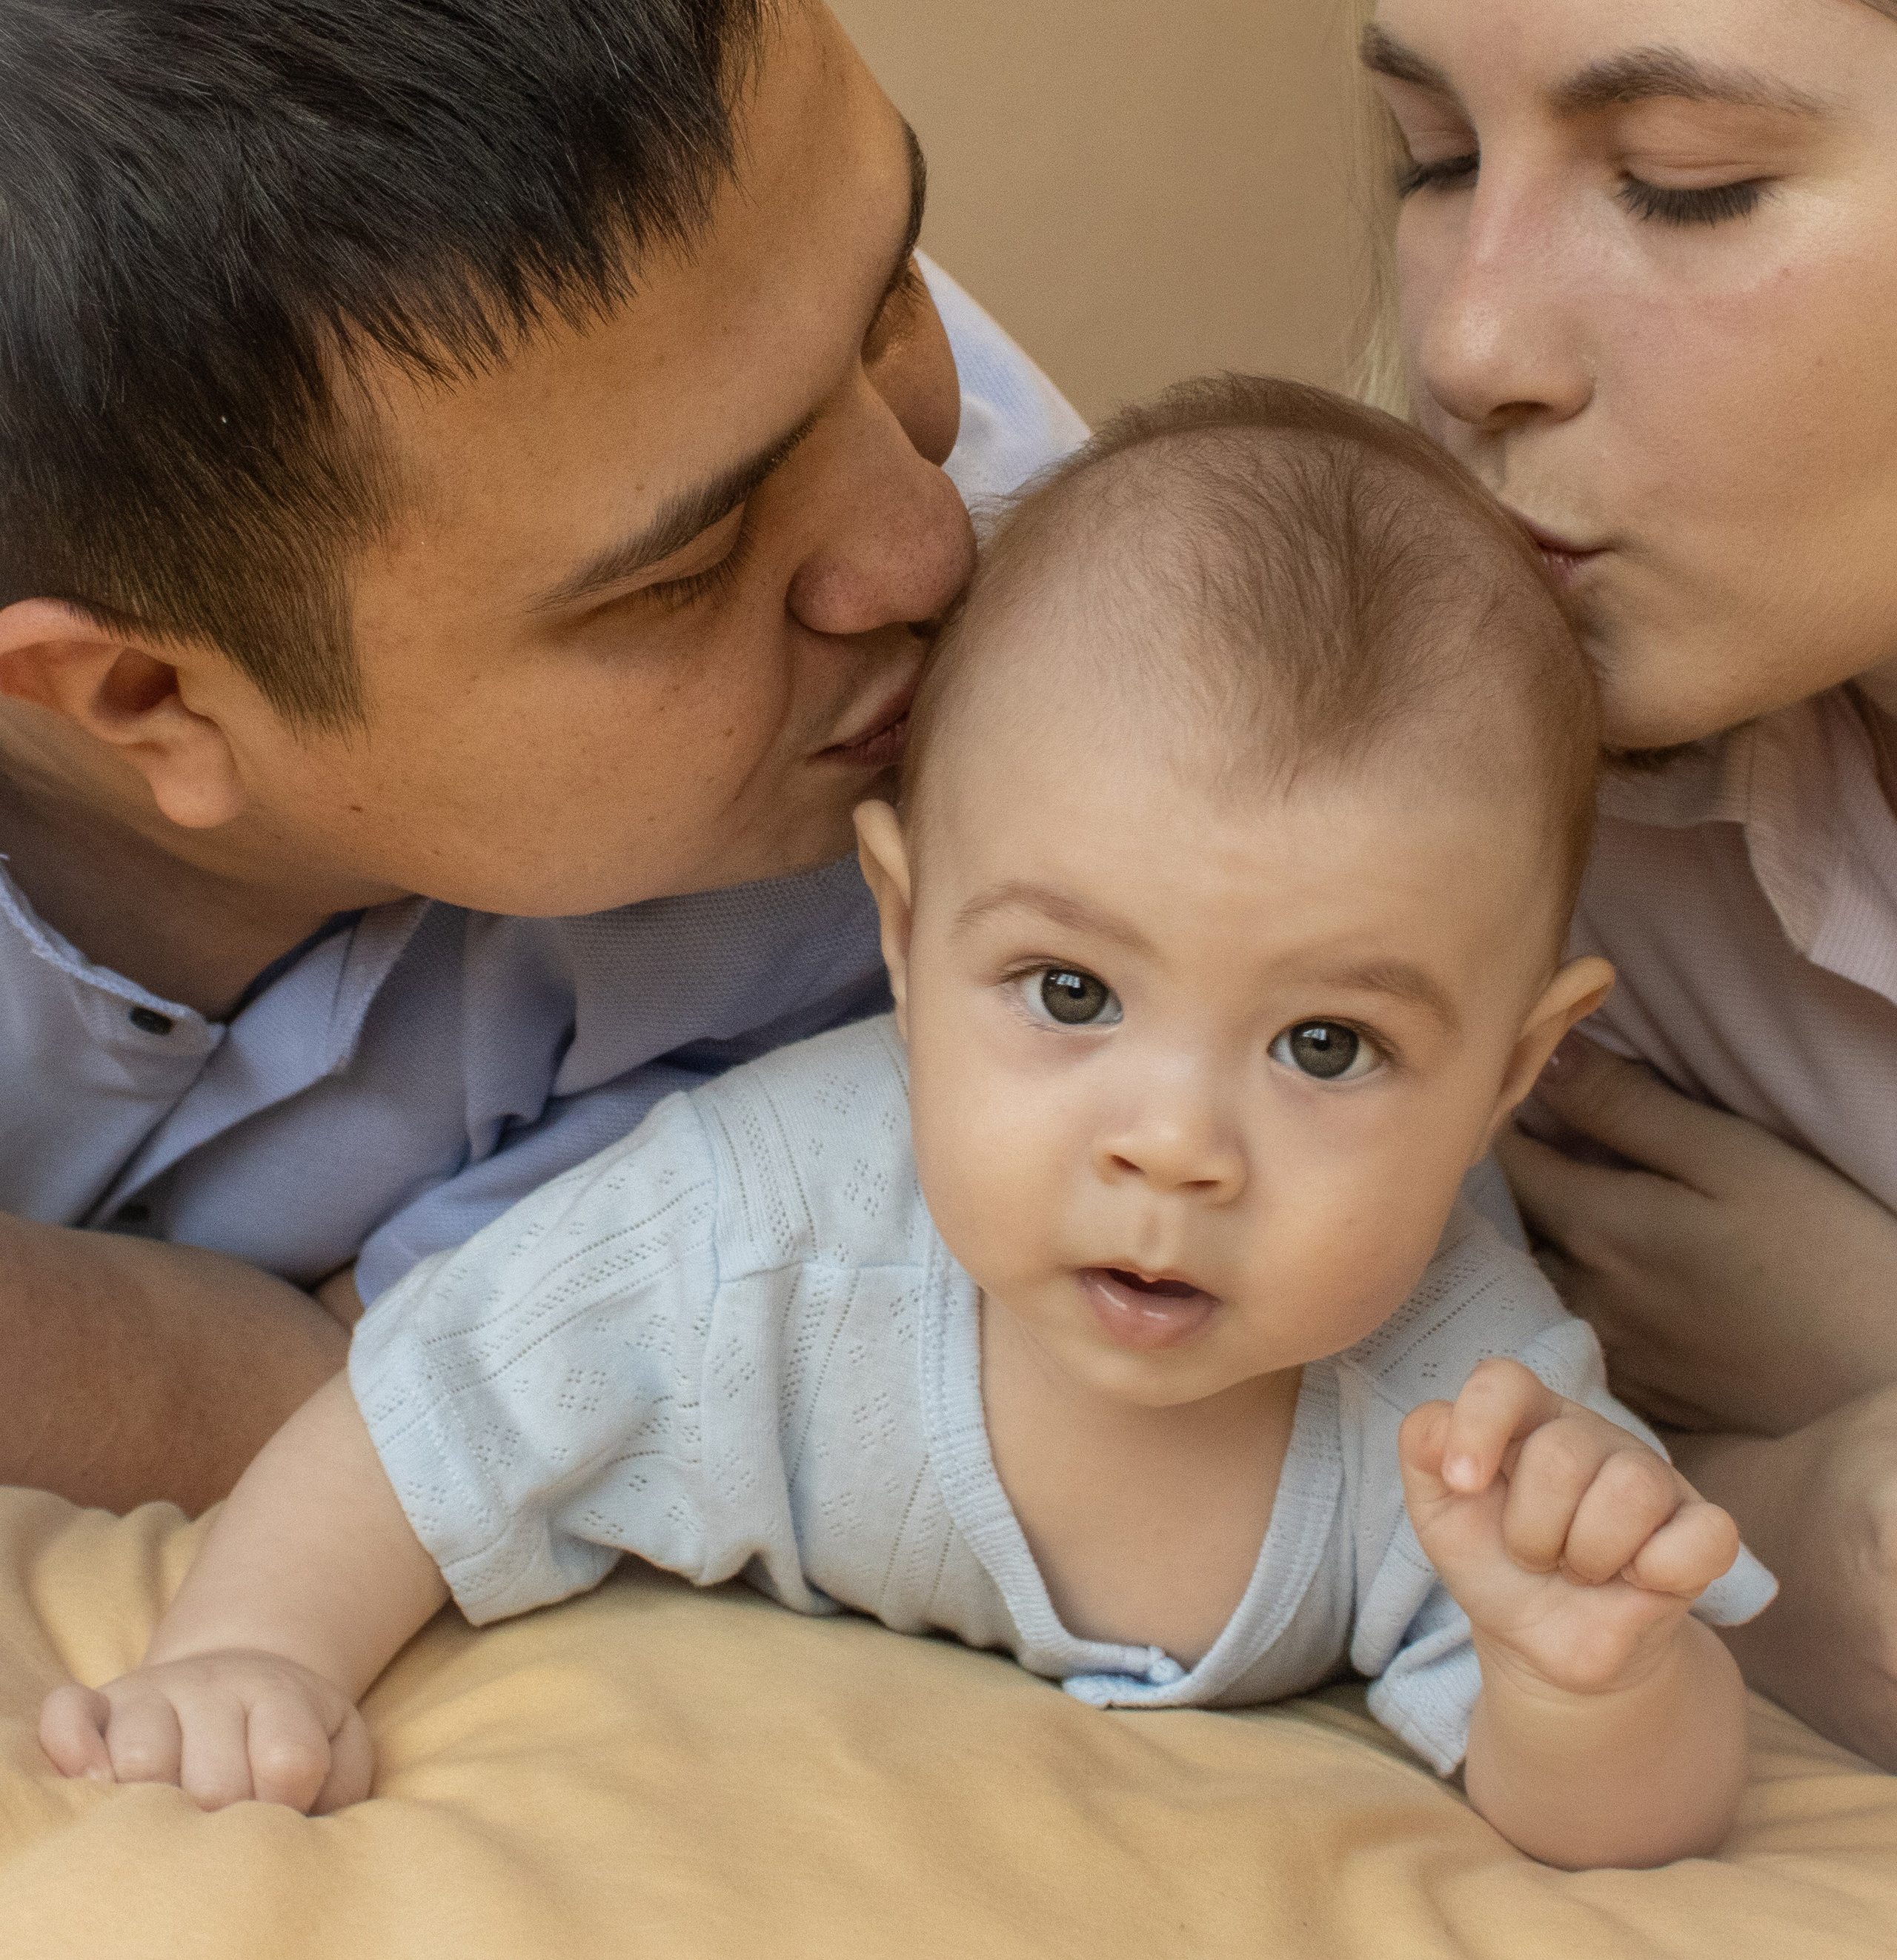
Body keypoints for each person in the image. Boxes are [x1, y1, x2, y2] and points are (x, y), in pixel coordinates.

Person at [41, 380, 1775, 1870]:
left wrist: (1586, 1674)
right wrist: (253, 1649)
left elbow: (1639, 1816)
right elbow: (424, 1414)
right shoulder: (759, 1223)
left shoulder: (1468, 1415)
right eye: (1070, 993)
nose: (1172, 1147)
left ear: (1508, 1075)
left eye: (1326, 1045)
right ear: (900, 926)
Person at [0, 0, 1080, 1513]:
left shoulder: (1035, 722)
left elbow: (413, 1408)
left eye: (887, 292)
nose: (930, 546)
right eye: (686, 567)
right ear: (146, 698)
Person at [1348, 0, 1897, 1767]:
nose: (1475, 338)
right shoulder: (1519, 837)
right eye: (1432, 156)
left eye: (1679, 179)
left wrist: (1860, 1351)